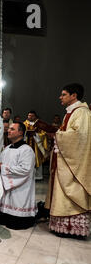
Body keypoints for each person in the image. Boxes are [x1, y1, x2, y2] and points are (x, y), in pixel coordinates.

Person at [42, 83, 91, 239]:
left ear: (74, 95)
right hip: (64, 160)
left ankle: (72, 228)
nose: (60, 97)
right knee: (61, 191)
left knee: (72, 190)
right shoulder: (70, 112)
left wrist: (56, 134)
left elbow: (80, 137)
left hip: (73, 163)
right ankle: (61, 226)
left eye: (63, 94)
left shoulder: (82, 113)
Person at [0, 122, 37, 230]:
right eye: (9, 129)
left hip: (21, 187)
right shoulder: (8, 148)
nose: (8, 131)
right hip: (7, 185)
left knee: (15, 222)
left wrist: (3, 167)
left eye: (12, 129)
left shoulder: (27, 150)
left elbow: (26, 169)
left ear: (20, 132)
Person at [23, 110, 50, 180]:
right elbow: (21, 133)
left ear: (35, 116)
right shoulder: (24, 124)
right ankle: (27, 176)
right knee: (26, 160)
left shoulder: (39, 124)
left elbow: (44, 133)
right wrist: (26, 134)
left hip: (37, 145)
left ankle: (38, 176)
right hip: (27, 144)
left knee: (38, 159)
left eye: (32, 116)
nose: (30, 117)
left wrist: (36, 135)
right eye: (29, 115)